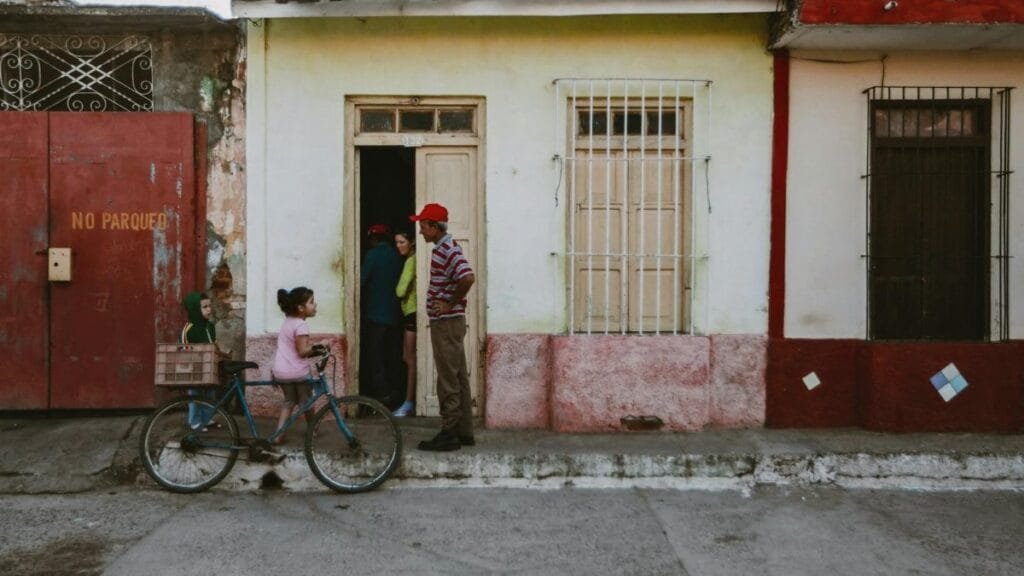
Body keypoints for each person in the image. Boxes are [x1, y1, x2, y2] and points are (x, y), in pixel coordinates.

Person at [410, 203, 476, 451]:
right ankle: (464, 431)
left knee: (448, 378)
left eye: (423, 226)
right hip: (450, 323)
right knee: (457, 376)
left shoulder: (447, 249)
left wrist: (449, 304)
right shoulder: (445, 247)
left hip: (446, 324)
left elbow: (467, 277)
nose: (420, 231)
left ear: (435, 227)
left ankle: (449, 433)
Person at [271, 286, 322, 445]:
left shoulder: (288, 322)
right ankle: (313, 429)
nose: (315, 305)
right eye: (311, 302)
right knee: (307, 402)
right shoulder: (301, 325)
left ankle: (278, 436)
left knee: (289, 402)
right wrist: (321, 346)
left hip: (281, 371)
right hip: (297, 372)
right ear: (301, 308)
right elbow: (302, 351)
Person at [360, 223, 403, 408]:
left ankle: (381, 394)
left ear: (373, 238)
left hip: (375, 315)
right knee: (393, 354)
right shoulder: (397, 256)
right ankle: (396, 392)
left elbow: (361, 280)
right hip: (395, 314)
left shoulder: (371, 255)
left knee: (376, 356)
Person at [180, 291, 229, 430]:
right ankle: (194, 421)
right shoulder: (189, 329)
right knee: (195, 395)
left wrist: (221, 353)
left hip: (208, 366)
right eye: (204, 307)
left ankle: (206, 419)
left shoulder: (209, 326)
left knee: (210, 394)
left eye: (209, 306)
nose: (209, 309)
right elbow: (185, 350)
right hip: (194, 367)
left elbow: (213, 343)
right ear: (195, 309)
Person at [392, 230, 417, 418]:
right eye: (396, 242)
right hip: (412, 313)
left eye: (402, 241)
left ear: (411, 242)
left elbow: (400, 291)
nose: (398, 246)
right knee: (409, 358)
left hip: (412, 313)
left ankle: (408, 403)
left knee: (410, 359)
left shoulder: (410, 261)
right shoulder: (414, 259)